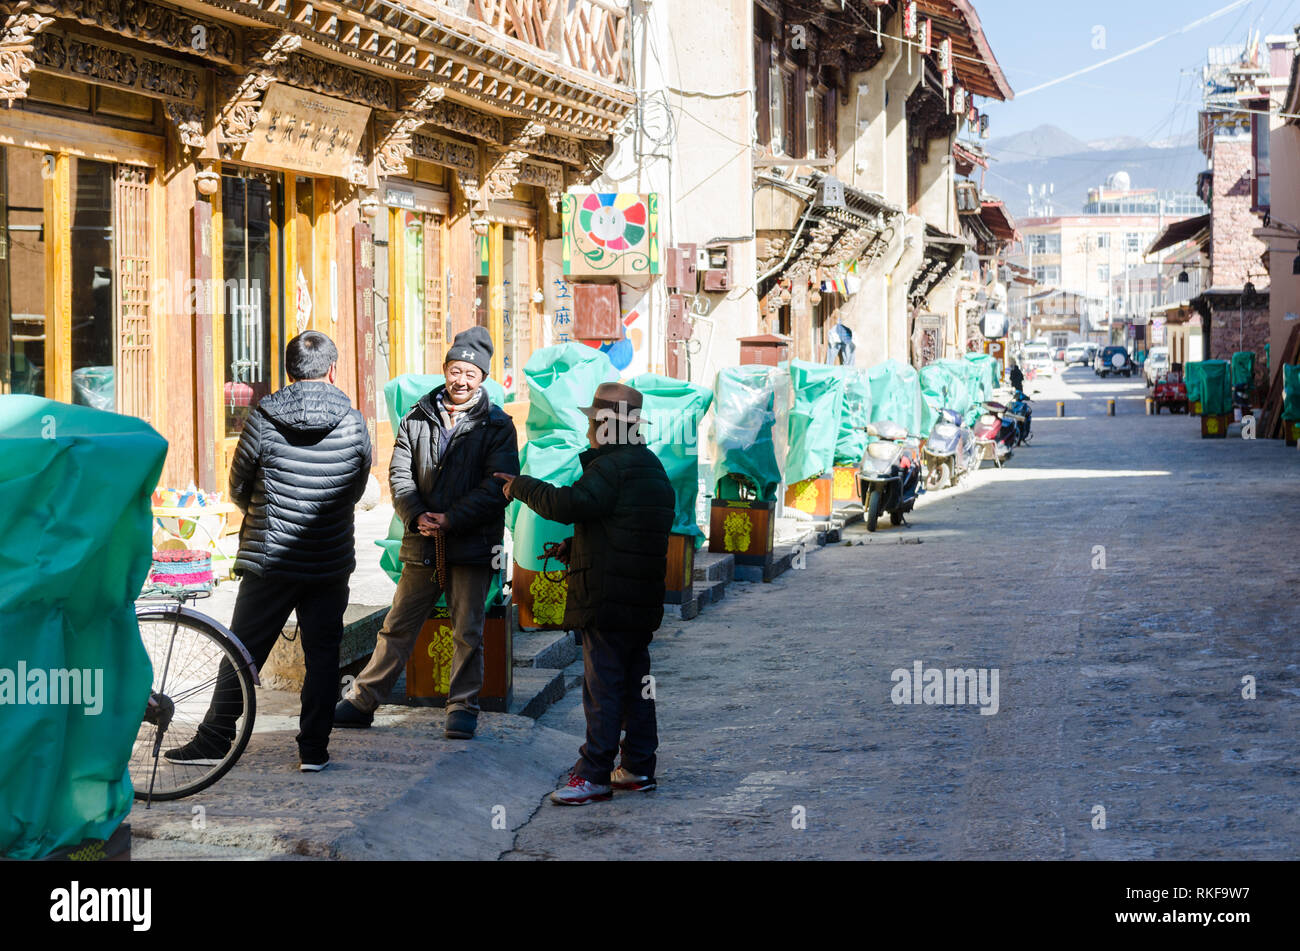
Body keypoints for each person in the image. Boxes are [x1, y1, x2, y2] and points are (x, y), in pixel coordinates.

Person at [170, 331, 372, 772]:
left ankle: (214, 737)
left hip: (271, 558)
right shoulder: (354, 421)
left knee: (241, 648)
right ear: (332, 370)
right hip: (328, 560)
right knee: (324, 656)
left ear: (288, 369)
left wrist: (261, 515)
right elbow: (355, 489)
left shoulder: (262, 417)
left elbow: (239, 486)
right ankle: (313, 750)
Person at [495, 383, 675, 805]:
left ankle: (593, 773)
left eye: (593, 422)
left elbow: (569, 505)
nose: (589, 430)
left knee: (603, 689)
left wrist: (520, 486)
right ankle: (636, 767)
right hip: (639, 602)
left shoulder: (610, 469)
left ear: (606, 428)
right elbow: (625, 531)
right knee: (636, 687)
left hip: (609, 601)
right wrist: (575, 549)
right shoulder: (649, 466)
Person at [335, 326, 518, 740]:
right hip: (422, 541)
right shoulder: (416, 417)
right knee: (397, 625)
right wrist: (417, 514)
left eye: (471, 374)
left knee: (468, 630)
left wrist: (451, 518)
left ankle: (462, 707)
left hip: (472, 545)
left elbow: (500, 484)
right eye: (455, 370)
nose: (461, 380)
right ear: (445, 370)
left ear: (482, 379)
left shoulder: (497, 425)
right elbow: (399, 473)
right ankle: (363, 701)